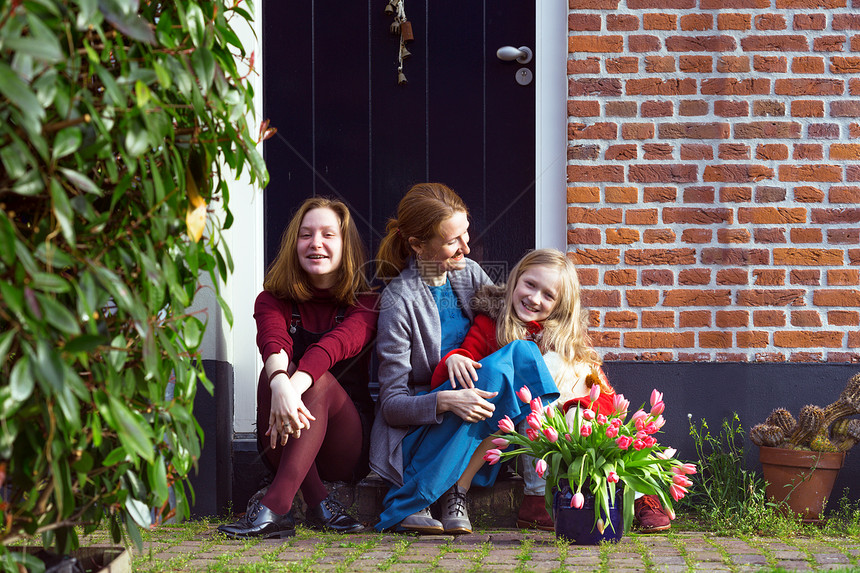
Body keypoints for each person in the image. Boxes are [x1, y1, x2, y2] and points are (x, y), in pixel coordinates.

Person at [433, 249, 670, 533]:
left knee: (570, 378)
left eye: (548, 295)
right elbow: (470, 367)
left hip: (568, 428)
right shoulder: (490, 324)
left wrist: (580, 412)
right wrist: (456, 357)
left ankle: (636, 491)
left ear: (559, 305)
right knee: (536, 377)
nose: (534, 299)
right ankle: (537, 499)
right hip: (507, 432)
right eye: (530, 285)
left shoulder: (565, 336)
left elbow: (600, 392)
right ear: (516, 279)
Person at [369, 183, 559, 535]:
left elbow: (514, 317)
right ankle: (417, 495)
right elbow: (392, 405)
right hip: (422, 431)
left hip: (478, 418)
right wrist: (445, 400)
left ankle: (450, 489)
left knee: (521, 356)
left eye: (466, 235)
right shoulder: (399, 300)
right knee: (516, 358)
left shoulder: (469, 272)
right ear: (417, 245)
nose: (466, 248)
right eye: (453, 241)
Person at [219, 197, 379, 539]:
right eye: (305, 235)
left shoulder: (367, 303)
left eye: (327, 234)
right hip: (281, 440)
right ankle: (318, 502)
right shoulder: (271, 299)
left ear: (345, 245)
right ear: (294, 244)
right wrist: (279, 383)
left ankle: (276, 506)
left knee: (315, 380)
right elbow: (273, 340)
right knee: (273, 371)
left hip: (343, 444)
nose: (315, 243)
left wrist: (291, 386)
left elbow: (334, 347)